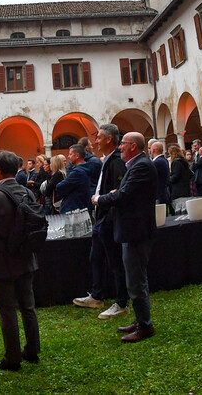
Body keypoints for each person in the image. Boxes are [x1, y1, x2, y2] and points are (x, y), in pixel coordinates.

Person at [0, 151, 41, 371]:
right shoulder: (27, 192)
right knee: (28, 307)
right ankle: (32, 350)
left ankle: (12, 359)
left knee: (7, 310)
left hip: (1, 260)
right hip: (26, 257)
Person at [93, 132, 158, 342]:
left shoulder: (141, 165)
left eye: (123, 144)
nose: (120, 147)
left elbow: (123, 195)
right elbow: (126, 192)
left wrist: (99, 199)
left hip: (136, 230)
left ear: (133, 146)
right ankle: (140, 320)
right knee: (136, 278)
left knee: (135, 280)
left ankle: (145, 326)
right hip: (133, 229)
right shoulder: (137, 164)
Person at [73, 124, 128, 321]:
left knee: (115, 262)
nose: (95, 142)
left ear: (108, 139)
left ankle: (121, 303)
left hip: (109, 218)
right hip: (101, 217)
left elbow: (119, 191)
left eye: (99, 138)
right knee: (95, 257)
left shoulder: (116, 161)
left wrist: (101, 201)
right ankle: (97, 296)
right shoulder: (108, 160)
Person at [54, 145, 95, 214]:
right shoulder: (85, 169)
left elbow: (60, 187)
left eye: (70, 154)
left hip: (73, 210)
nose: (68, 157)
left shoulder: (78, 172)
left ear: (77, 156)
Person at [148, 139, 171, 208]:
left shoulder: (157, 162)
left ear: (154, 150)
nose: (149, 151)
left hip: (159, 194)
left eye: (150, 148)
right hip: (163, 193)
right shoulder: (163, 160)